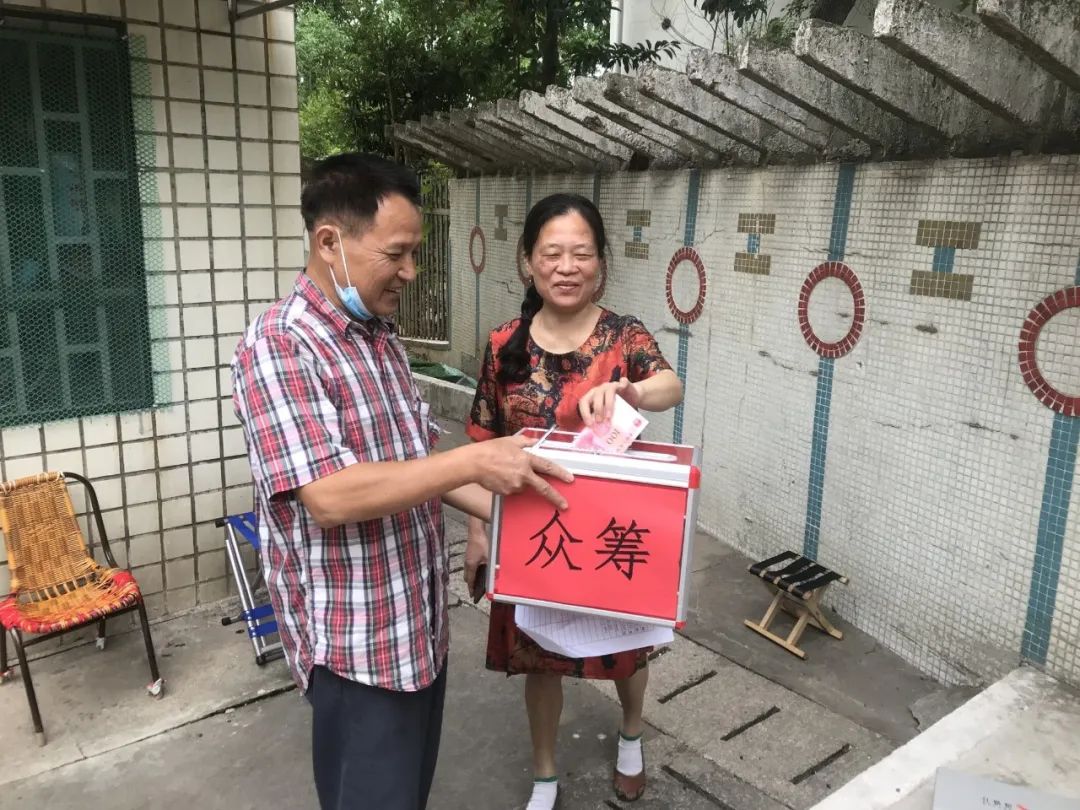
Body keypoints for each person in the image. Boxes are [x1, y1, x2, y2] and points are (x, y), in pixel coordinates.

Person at [230, 153, 572, 810]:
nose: (411, 271)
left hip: (418, 631)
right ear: (329, 242)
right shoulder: (280, 345)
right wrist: (475, 461)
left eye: (415, 252)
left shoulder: (378, 335)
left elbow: (419, 466)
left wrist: (544, 518)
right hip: (355, 652)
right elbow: (329, 496)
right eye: (397, 253)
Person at [463, 193, 683, 808]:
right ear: (527, 261)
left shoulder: (623, 335)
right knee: (539, 659)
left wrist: (630, 392)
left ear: (601, 263)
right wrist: (479, 533)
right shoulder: (503, 343)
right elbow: (481, 442)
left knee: (626, 649)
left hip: (612, 529)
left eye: (581, 253)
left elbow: (670, 384)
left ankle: (632, 735)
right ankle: (544, 775)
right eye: (552, 253)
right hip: (533, 533)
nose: (566, 267)